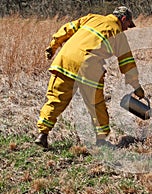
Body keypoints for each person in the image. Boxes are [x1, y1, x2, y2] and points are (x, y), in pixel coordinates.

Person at [35, 6, 145, 148]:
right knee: (96, 105)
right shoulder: (118, 34)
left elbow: (67, 29)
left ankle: (42, 134)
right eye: (128, 25)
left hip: (64, 61)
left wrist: (53, 45)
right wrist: (136, 87)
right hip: (88, 68)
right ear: (123, 19)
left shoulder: (92, 17)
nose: (127, 29)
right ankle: (101, 140)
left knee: (56, 100)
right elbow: (127, 63)